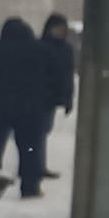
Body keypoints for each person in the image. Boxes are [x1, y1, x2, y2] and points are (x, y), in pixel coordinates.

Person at [0, 17, 71, 199]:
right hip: (31, 111)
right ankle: (30, 188)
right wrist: (57, 98)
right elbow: (59, 77)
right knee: (30, 150)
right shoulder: (43, 51)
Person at [40, 15, 75, 179]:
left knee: (44, 130)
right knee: (39, 132)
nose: (61, 31)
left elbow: (68, 75)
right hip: (41, 96)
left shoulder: (66, 49)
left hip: (52, 96)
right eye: (58, 28)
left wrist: (68, 98)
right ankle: (37, 166)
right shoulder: (42, 47)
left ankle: (38, 165)